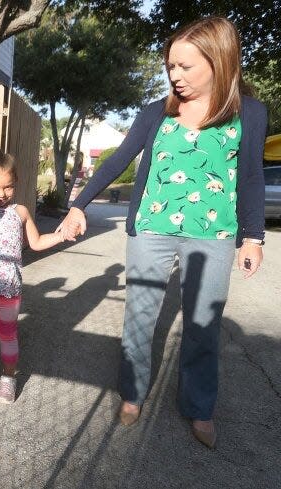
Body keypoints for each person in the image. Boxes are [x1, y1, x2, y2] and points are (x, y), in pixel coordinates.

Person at [58, 17, 267, 448]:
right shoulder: (157, 112)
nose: (175, 75)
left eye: (186, 67)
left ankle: (199, 405)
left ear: (219, 61)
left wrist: (254, 236)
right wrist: (78, 204)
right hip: (151, 230)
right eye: (171, 66)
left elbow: (250, 178)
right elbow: (119, 161)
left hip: (213, 236)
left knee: (202, 324)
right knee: (139, 316)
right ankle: (132, 392)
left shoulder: (250, 113)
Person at [0, 146, 65, 405]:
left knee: (7, 334)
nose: (2, 194)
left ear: (15, 183)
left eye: (8, 187)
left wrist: (62, 234)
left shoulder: (21, 212)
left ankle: (8, 379)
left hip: (9, 289)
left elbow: (37, 242)